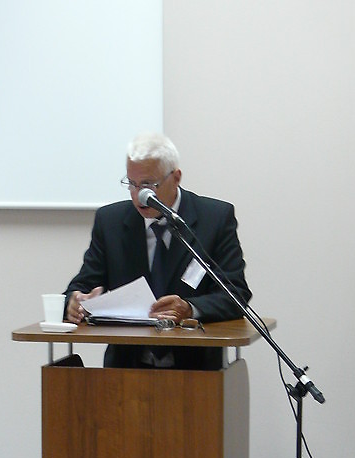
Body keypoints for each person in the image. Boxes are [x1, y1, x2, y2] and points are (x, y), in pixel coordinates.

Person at [63, 132, 251, 369]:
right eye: (131, 184)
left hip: (196, 370)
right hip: (126, 369)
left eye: (148, 185)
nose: (139, 195)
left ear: (176, 178)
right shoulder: (110, 222)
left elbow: (236, 295)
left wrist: (190, 309)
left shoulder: (214, 219)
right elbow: (82, 286)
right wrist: (73, 302)